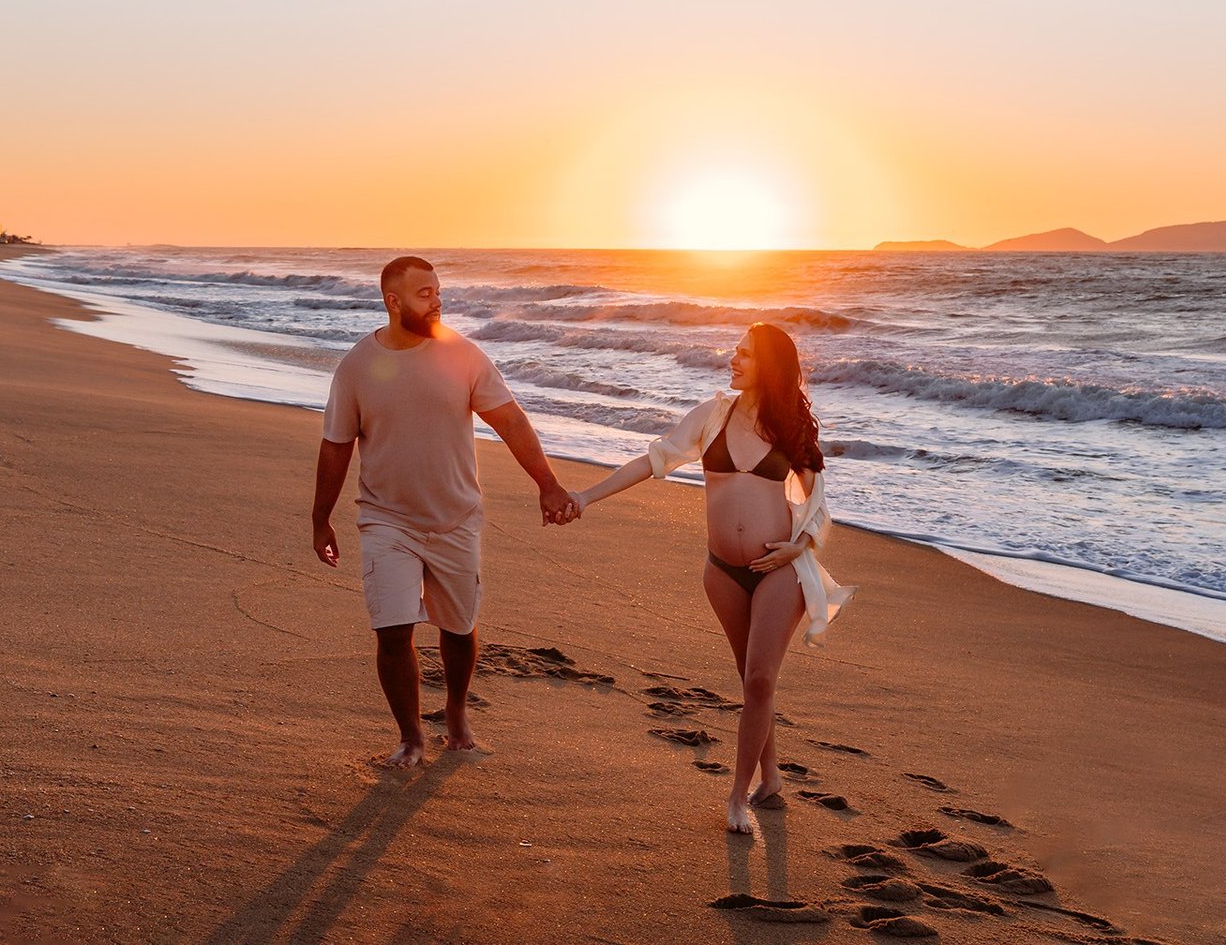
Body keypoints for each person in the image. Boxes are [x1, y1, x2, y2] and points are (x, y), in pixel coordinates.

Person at [573, 323, 853, 833]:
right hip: (721, 571)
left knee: (761, 679)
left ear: (769, 365)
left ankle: (737, 797)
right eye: (736, 352)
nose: (734, 359)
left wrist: (800, 545)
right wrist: (588, 497)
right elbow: (654, 460)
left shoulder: (791, 428)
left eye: (746, 354)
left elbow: (819, 509)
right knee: (752, 681)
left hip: (779, 570)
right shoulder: (712, 414)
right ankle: (770, 778)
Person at [311, 256, 580, 768]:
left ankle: (456, 710)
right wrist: (320, 518)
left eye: (437, 291)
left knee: (458, 627)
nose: (437, 301)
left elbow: (511, 421)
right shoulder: (356, 367)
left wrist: (548, 484)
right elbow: (335, 446)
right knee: (392, 629)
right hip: (385, 519)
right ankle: (411, 736)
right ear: (393, 302)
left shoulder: (463, 355)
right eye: (424, 294)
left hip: (456, 517)